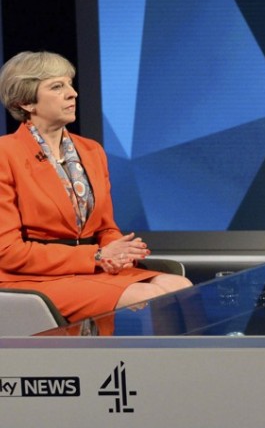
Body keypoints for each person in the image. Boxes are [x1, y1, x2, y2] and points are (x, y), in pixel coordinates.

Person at [0, 50, 191, 325]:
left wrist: (118, 251)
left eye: (70, 84)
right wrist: (97, 256)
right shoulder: (6, 154)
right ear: (26, 102)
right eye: (57, 86)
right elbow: (7, 251)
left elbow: (105, 228)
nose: (72, 93)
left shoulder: (91, 151)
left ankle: (192, 368)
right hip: (32, 279)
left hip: (91, 270)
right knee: (148, 295)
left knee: (180, 287)